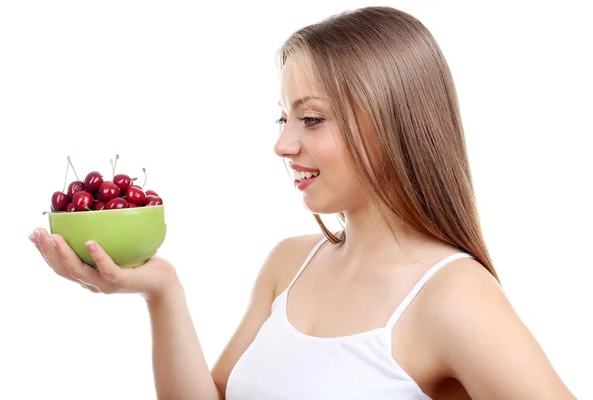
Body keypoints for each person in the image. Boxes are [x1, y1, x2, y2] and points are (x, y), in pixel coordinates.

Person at [29, 6, 576, 400]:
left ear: (394, 123)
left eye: (311, 118)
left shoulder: (453, 296)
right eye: (283, 117)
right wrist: (162, 292)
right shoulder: (289, 264)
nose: (283, 144)